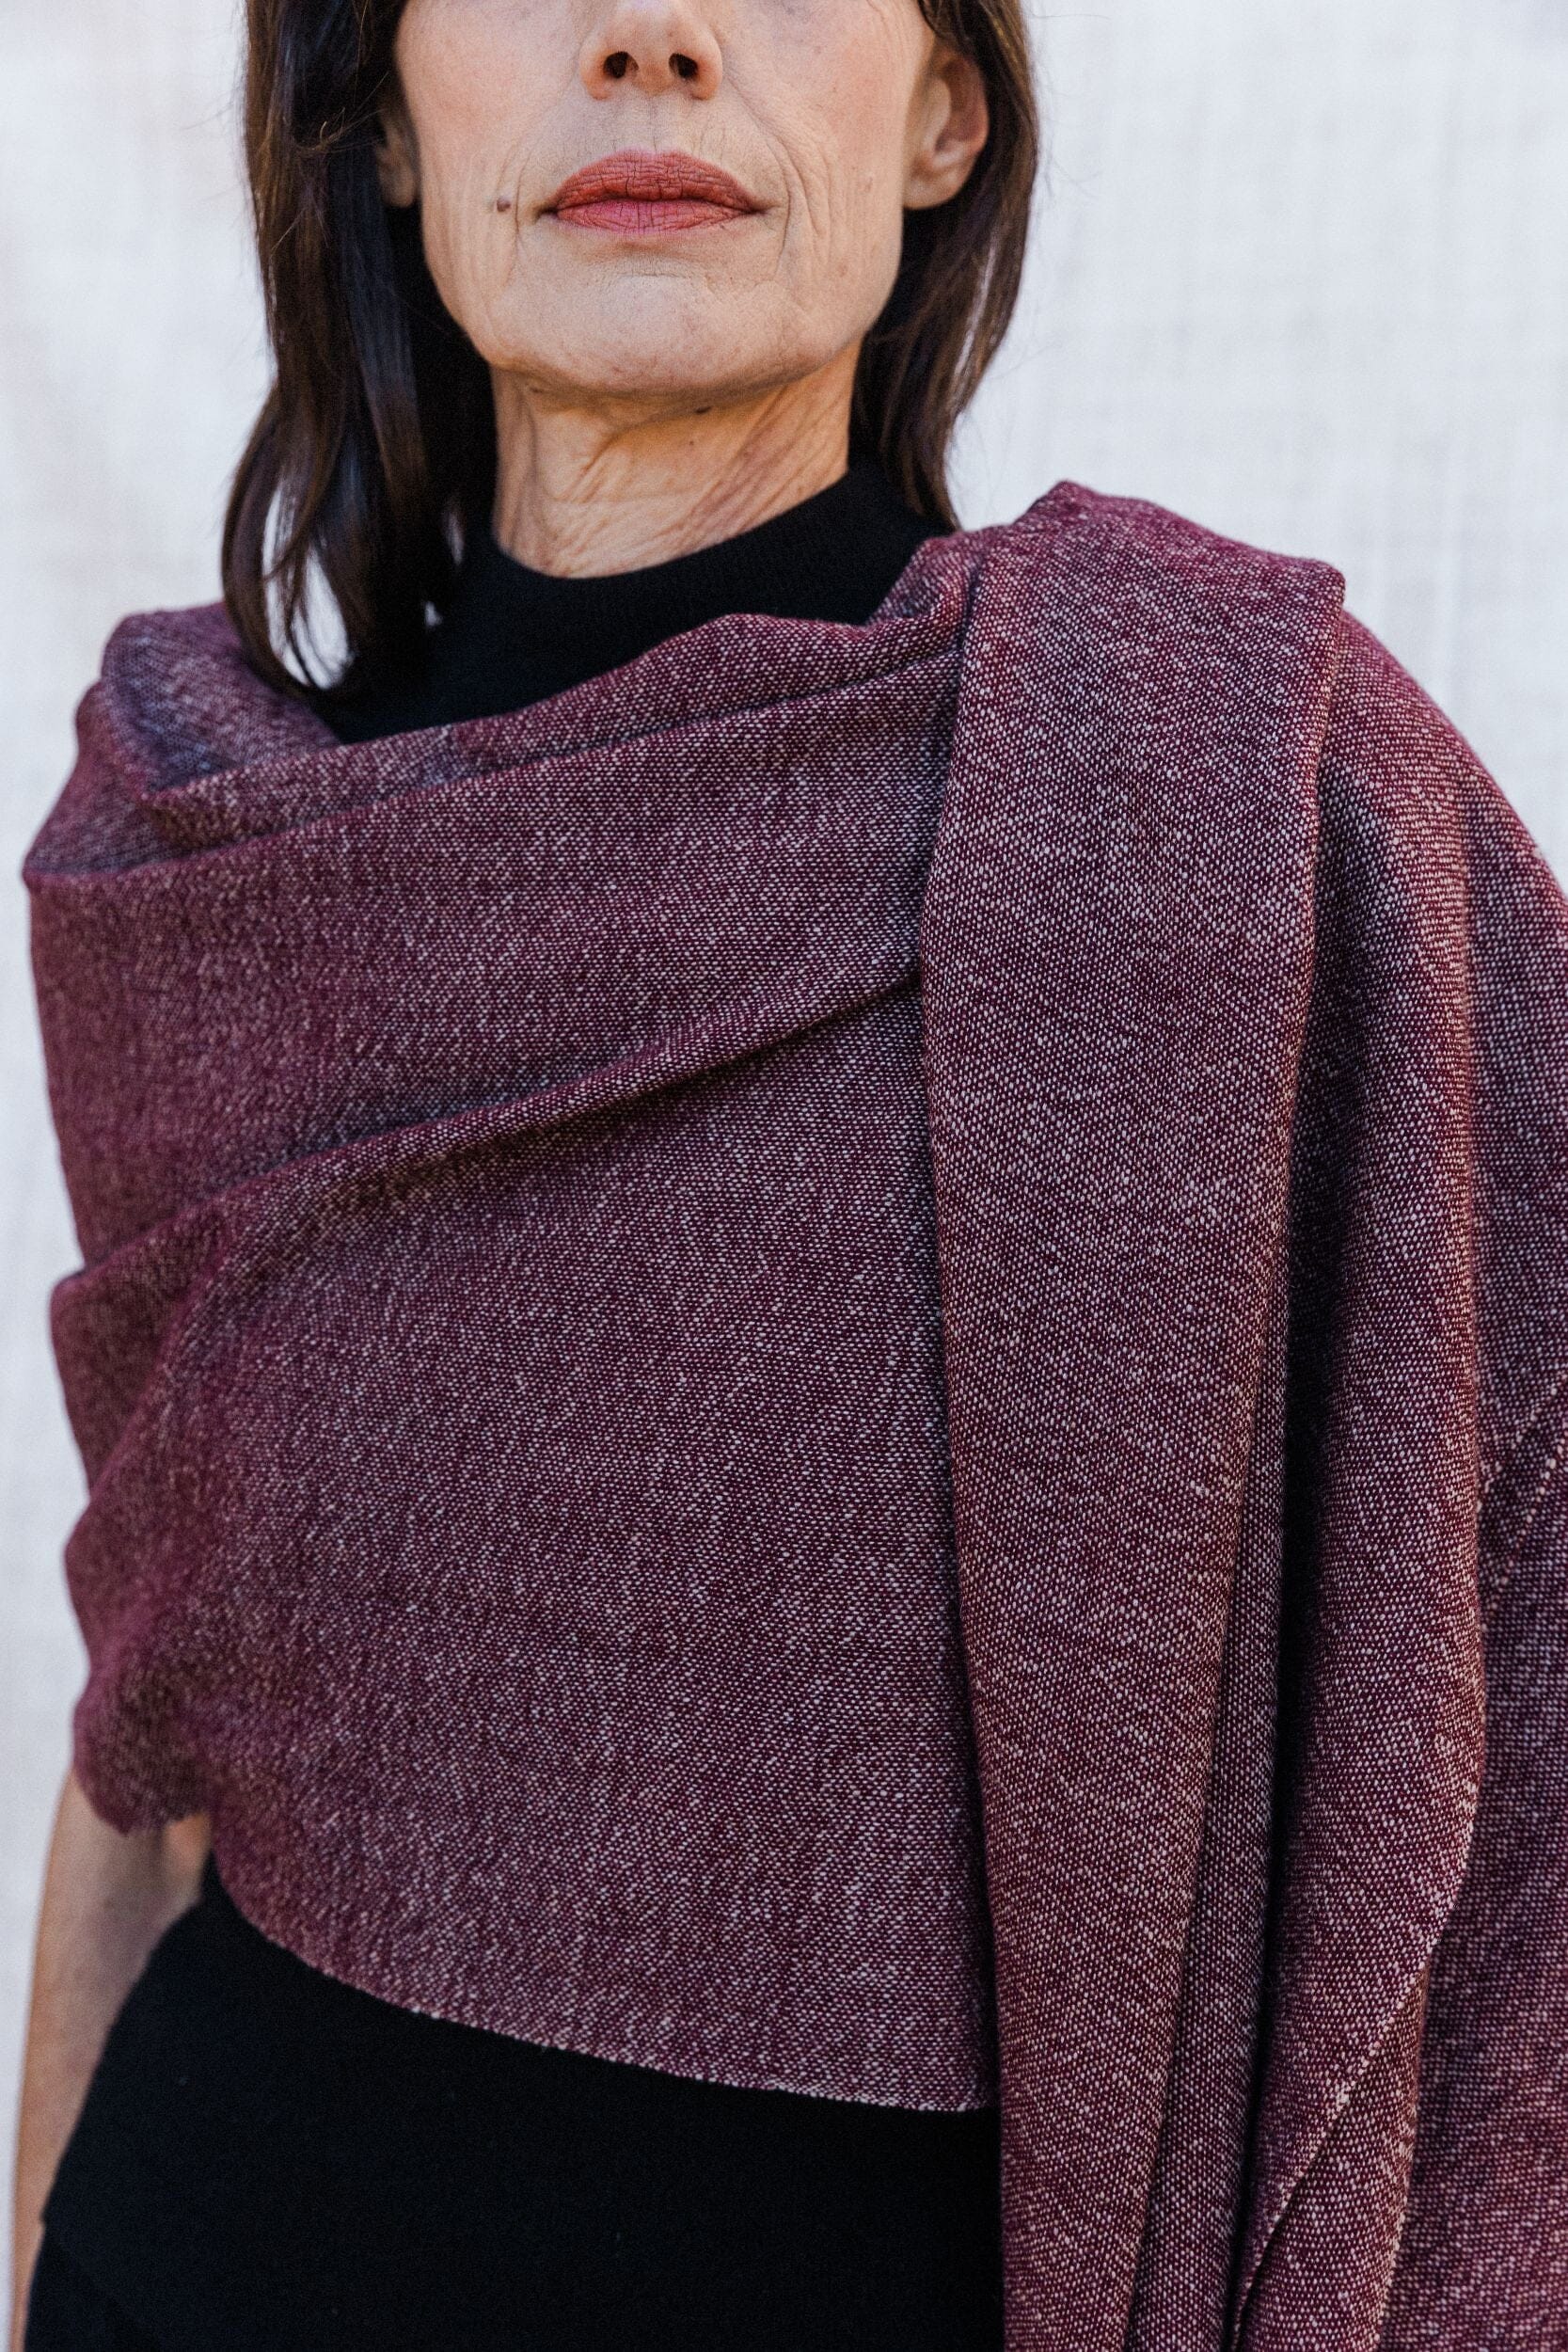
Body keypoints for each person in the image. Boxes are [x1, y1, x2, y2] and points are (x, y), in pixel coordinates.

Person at [10, 0, 1568, 2346]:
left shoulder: (1220, 798)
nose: (649, 36)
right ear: (387, 128)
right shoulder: (208, 860)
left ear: (946, 109)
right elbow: (153, 1763)